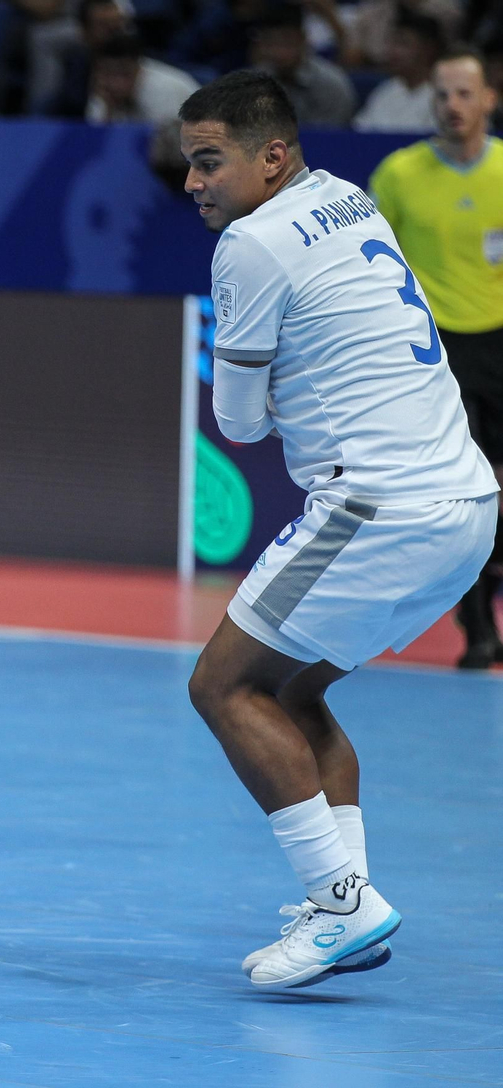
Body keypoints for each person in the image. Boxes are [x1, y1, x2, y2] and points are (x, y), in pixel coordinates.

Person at [179, 71, 498, 989]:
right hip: (466, 507)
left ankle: (345, 906)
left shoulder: (251, 243)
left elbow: (237, 424)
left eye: (211, 162)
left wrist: (284, 382)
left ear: (272, 157)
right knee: (294, 692)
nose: (194, 183)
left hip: (379, 508)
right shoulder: (346, 199)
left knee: (224, 686)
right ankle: (339, 902)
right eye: (189, 164)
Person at [370, 47, 503, 666]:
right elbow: (369, 266)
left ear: (489, 101)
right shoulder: (397, 174)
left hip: (500, 343)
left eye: (465, 94)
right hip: (435, 355)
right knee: (464, 496)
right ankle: (479, 631)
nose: (452, 105)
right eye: (443, 94)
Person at [250, 3, 356, 127]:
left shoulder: (332, 86)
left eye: (287, 42)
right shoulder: (253, 84)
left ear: (303, 39)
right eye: (271, 43)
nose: (279, 52)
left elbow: (332, 139)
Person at [354, 13, 444, 132]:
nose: (393, 51)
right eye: (391, 43)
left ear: (428, 49)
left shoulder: (442, 97)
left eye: (403, 43)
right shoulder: (384, 92)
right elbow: (359, 134)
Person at [84, 33, 199, 124]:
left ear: (138, 68)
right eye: (107, 73)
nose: (114, 84)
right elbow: (96, 142)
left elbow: (169, 144)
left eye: (123, 74)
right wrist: (109, 109)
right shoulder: (103, 90)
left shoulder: (162, 90)